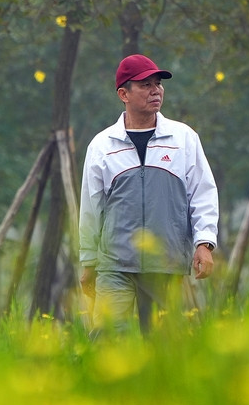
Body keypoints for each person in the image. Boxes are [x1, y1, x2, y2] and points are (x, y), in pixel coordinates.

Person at [78, 53, 219, 334]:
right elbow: (91, 207)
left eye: (158, 84)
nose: (155, 90)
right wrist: (89, 261)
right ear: (123, 94)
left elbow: (202, 194)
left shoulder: (183, 139)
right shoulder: (102, 145)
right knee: (106, 339)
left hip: (164, 263)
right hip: (114, 264)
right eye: (145, 85)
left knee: (163, 348)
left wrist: (205, 242)